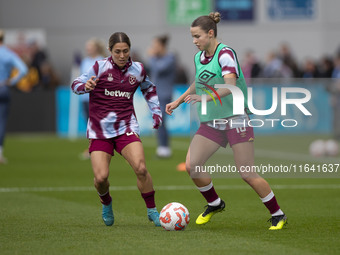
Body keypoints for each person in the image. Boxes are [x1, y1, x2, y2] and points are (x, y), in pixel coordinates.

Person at [166, 12, 287, 230]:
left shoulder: (226, 54)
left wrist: (204, 97)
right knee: (193, 166)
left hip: (236, 119)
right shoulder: (199, 57)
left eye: (197, 36)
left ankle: (278, 214)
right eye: (192, 37)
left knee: (247, 173)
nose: (194, 41)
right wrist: (179, 100)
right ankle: (215, 203)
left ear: (210, 33)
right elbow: (198, 81)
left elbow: (230, 86)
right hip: (212, 121)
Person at [71, 32, 162, 227]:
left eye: (126, 51)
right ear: (110, 51)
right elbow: (75, 84)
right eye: (117, 52)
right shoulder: (99, 67)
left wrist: (156, 113)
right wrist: (85, 86)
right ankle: (106, 202)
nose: (122, 55)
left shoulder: (138, 69)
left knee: (141, 167)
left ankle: (152, 210)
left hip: (126, 127)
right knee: (101, 177)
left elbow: (149, 88)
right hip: (99, 131)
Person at [0, 29, 28, 164]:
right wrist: (11, 81)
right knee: (1, 121)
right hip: (3, 88)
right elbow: (23, 69)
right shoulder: (8, 54)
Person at [147, 35, 176, 158]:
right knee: (158, 121)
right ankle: (162, 148)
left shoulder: (170, 58)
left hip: (164, 94)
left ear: (162, 46)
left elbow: (159, 69)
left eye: (155, 45)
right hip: (155, 94)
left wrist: (152, 57)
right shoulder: (158, 59)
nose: (153, 48)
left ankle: (164, 148)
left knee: (161, 120)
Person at [79, 38, 107, 159]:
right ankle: (93, 148)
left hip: (98, 98)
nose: (87, 49)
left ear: (96, 48)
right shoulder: (84, 61)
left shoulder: (102, 60)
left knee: (99, 124)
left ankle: (100, 148)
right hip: (85, 97)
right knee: (89, 124)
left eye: (90, 46)